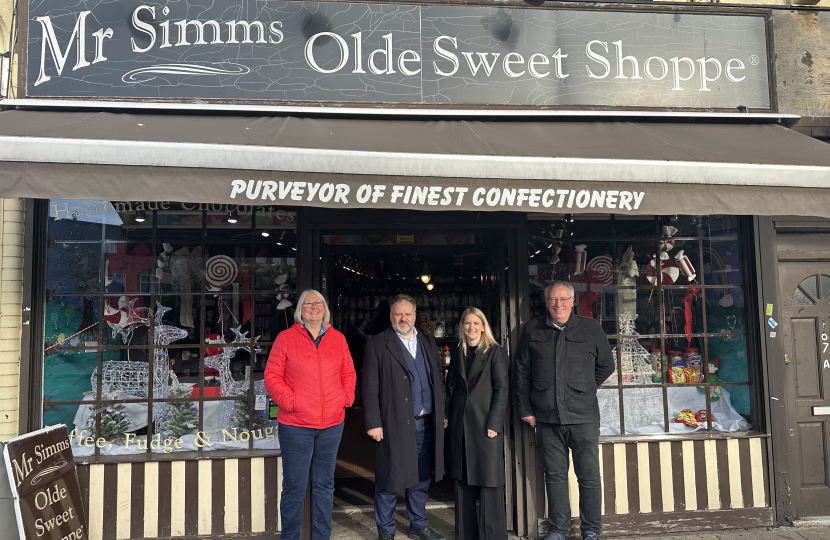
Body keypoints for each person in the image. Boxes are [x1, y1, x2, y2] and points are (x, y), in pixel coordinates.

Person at [514, 281, 615, 540]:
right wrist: (526, 408)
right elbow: (522, 372)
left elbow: (606, 365)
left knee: (589, 477)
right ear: (546, 302)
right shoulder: (532, 329)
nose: (558, 304)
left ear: (573, 301)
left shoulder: (591, 328)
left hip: (583, 418)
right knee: (555, 477)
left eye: (563, 299)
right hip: (547, 418)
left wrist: (582, 387)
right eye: (553, 300)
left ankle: (591, 530)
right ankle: (558, 530)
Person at [264, 289, 356, 540]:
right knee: (294, 486)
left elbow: (348, 373)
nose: (313, 307)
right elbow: (272, 377)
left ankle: (321, 536)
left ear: (325, 308)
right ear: (300, 310)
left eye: (318, 303)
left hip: (332, 424)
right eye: (307, 304)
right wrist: (291, 402)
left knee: (325, 485)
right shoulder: (286, 338)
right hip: (296, 425)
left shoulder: (338, 339)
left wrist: (345, 398)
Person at [362, 294, 446, 540]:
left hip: (426, 422)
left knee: (421, 478)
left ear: (415, 315)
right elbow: (368, 387)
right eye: (398, 313)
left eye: (407, 314)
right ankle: (386, 531)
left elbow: (438, 379)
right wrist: (374, 422)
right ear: (390, 316)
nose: (403, 318)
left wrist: (442, 413)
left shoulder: (428, 340)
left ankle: (418, 524)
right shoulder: (377, 344)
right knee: (389, 478)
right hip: (393, 424)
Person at [445, 307, 509, 540]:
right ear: (462, 327)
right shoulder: (457, 350)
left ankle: (493, 536)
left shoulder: (495, 352)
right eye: (467, 323)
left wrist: (495, 422)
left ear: (483, 326)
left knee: (489, 482)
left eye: (476, 323)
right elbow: (450, 385)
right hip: (459, 425)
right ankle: (465, 535)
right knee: (462, 481)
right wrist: (445, 414)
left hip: (485, 426)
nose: (471, 327)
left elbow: (502, 389)